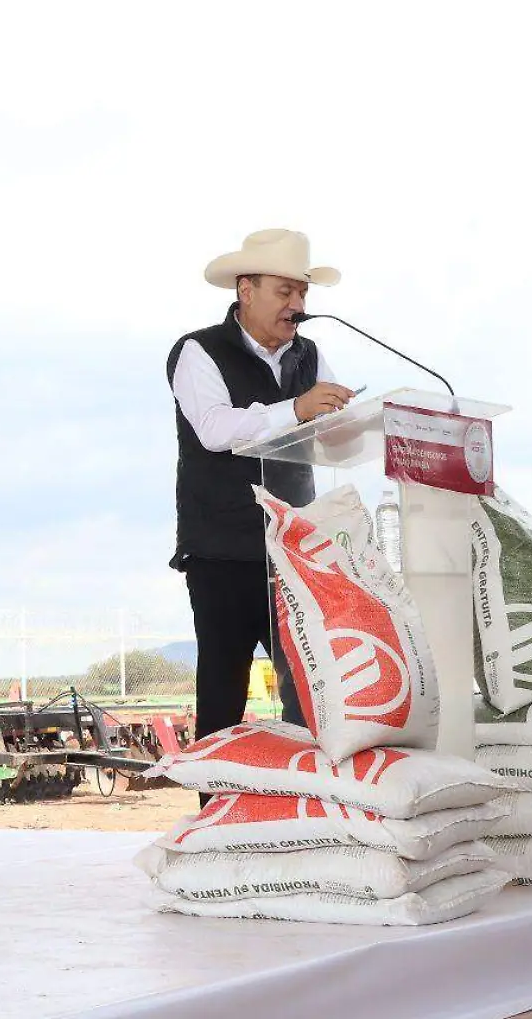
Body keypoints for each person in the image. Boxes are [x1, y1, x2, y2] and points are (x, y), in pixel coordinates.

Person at [169, 229, 354, 758]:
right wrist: (297, 410)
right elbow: (215, 429)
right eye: (284, 292)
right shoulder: (198, 351)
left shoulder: (310, 356)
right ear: (245, 289)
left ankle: (311, 810)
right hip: (223, 551)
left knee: (312, 692)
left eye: (303, 294)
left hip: (297, 551)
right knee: (224, 696)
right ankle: (216, 825)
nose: (297, 307)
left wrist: (352, 425)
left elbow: (334, 434)